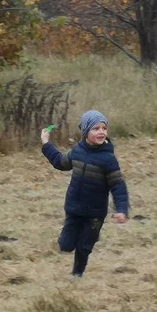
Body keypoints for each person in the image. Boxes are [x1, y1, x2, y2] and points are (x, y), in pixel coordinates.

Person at [41, 110, 129, 278]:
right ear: (86, 132)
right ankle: (69, 244)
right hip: (74, 208)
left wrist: (122, 209)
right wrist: (46, 144)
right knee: (66, 245)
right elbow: (60, 162)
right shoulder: (77, 151)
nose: (101, 132)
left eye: (104, 128)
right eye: (96, 128)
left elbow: (118, 185)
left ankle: (77, 274)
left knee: (84, 246)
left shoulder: (108, 159)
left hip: (95, 213)